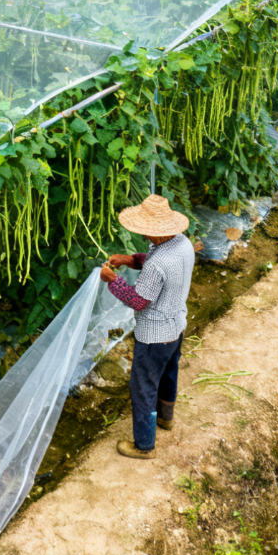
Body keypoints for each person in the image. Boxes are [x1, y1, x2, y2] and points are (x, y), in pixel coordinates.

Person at [100, 194, 195, 460]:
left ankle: (144, 445)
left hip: (155, 335)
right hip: (176, 327)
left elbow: (138, 300)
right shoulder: (183, 244)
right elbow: (154, 260)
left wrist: (112, 281)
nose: (143, 235)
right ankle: (166, 418)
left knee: (143, 385)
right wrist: (130, 260)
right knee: (168, 374)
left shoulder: (157, 264)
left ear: (154, 230)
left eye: (145, 230)